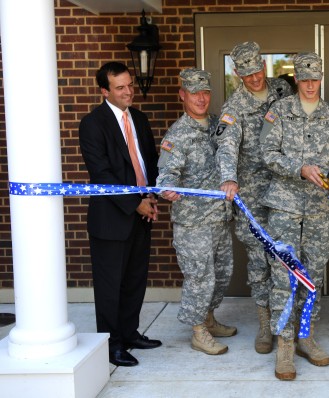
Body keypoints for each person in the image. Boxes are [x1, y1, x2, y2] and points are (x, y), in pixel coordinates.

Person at [259, 52, 329, 380]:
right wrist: (299, 169)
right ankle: (284, 344)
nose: (310, 85)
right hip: (284, 207)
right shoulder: (279, 112)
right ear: (296, 79)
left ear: (320, 79)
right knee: (284, 277)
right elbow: (267, 154)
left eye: (315, 79)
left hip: (318, 210)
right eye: (305, 79)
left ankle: (306, 336)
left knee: (313, 277)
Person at [79, 61, 161, 367]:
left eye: (130, 85)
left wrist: (150, 195)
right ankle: (112, 345)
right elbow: (101, 173)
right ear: (104, 91)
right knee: (110, 286)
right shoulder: (93, 123)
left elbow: (148, 161)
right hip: (111, 218)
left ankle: (129, 333)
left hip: (142, 211)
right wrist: (134, 202)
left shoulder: (139, 118)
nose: (129, 92)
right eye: (120, 87)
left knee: (134, 279)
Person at [214, 41, 293, 354]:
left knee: (286, 259)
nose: (255, 78)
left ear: (264, 65)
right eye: (247, 75)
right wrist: (228, 178)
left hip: (287, 192)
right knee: (260, 264)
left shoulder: (283, 90)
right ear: (238, 73)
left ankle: (286, 321)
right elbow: (226, 147)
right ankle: (265, 325)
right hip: (254, 199)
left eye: (258, 71)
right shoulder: (233, 108)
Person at [156, 68, 236, 356]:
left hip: (219, 218)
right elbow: (166, 175)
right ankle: (198, 331)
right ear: (183, 95)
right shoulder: (177, 134)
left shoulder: (217, 125)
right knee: (200, 277)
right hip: (193, 223)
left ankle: (209, 318)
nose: (201, 98)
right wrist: (167, 188)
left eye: (205, 92)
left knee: (222, 273)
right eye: (194, 93)